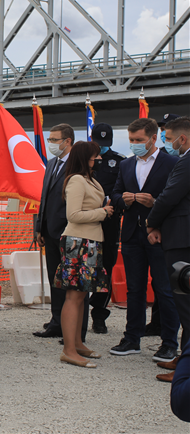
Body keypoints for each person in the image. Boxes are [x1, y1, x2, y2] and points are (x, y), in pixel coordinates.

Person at [109, 117, 179, 363]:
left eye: (139, 140)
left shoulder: (172, 163)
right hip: (130, 235)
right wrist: (122, 199)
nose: (135, 144)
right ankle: (132, 338)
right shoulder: (126, 165)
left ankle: (170, 343)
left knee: (164, 290)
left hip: (159, 235)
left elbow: (178, 198)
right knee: (134, 289)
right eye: (131, 140)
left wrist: (155, 203)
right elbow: (115, 194)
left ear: (153, 138)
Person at [54, 141, 114, 368]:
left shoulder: (89, 179)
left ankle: (77, 343)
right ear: (84, 158)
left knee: (82, 296)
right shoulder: (77, 180)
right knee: (74, 296)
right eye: (95, 157)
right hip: (78, 242)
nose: (98, 160)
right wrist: (102, 212)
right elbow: (74, 214)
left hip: (89, 242)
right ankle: (69, 349)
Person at [147, 115, 190, 383]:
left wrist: (151, 222)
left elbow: (170, 195)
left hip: (182, 238)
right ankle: (184, 357)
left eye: (169, 137)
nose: (167, 142)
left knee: (185, 302)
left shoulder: (187, 161)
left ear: (182, 138)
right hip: (181, 235)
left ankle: (186, 368)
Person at [34, 123, 75, 338]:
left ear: (67, 141)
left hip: (68, 231)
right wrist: (39, 227)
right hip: (49, 231)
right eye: (49, 140)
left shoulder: (76, 165)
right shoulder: (51, 164)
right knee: (54, 278)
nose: (50, 143)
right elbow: (44, 198)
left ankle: (70, 326)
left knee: (69, 281)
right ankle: (56, 321)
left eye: (54, 140)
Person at [88, 123, 126, 334]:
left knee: (106, 268)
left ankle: (99, 315)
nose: (101, 148)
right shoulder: (83, 159)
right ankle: (80, 312)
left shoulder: (119, 161)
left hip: (109, 224)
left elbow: (121, 191)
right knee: (85, 267)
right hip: (87, 222)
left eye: (105, 144)